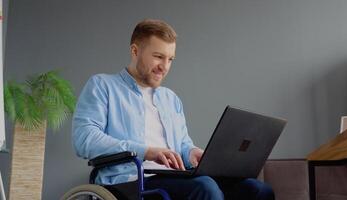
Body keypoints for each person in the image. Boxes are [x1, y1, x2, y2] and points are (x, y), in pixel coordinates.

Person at [72, 19, 275, 200]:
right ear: (135, 51)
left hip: (174, 177)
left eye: (170, 59)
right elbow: (84, 139)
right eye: (159, 56)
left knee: (257, 189)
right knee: (204, 188)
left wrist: (192, 153)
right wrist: (146, 152)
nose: (165, 66)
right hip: (129, 181)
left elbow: (182, 144)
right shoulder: (102, 86)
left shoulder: (170, 99)